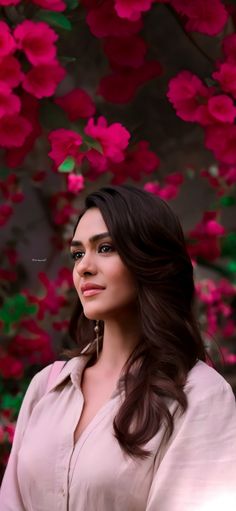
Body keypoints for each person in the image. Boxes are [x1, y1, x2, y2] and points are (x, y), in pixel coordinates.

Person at [0, 184, 236, 511]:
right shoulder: (47, 387)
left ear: (150, 260)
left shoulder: (200, 395)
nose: (83, 266)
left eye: (106, 248)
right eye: (78, 253)